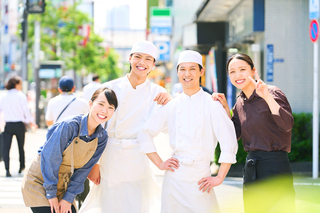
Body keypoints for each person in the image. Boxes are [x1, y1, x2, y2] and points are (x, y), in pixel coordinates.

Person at [137, 50, 238, 213]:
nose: (187, 74)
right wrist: (160, 163)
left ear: (201, 72)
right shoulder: (172, 105)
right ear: (177, 72)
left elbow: (229, 141)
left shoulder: (211, 103)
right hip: (174, 179)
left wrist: (219, 177)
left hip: (201, 179)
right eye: (182, 69)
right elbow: (144, 134)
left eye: (192, 69)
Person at [79, 40, 172, 213]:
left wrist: (171, 102)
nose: (141, 63)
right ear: (130, 59)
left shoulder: (158, 93)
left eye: (147, 59)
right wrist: (93, 164)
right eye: (137, 57)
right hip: (110, 155)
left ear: (153, 64)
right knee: (110, 205)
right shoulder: (109, 88)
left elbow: (169, 127)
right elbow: (92, 127)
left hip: (139, 157)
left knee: (138, 205)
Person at [212, 53, 295, 213]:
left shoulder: (272, 91)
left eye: (242, 69)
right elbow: (233, 135)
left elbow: (287, 125)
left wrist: (267, 97)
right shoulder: (240, 103)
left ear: (253, 70)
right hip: (252, 169)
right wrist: (224, 108)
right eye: (232, 71)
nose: (238, 75)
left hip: (276, 166)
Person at [21, 87, 118, 213]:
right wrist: (51, 194)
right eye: (101, 104)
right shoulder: (70, 126)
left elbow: (84, 170)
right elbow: (50, 158)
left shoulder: (102, 137)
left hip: (64, 184)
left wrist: (68, 197)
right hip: (41, 179)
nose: (105, 110)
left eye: (111, 107)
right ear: (90, 104)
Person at [0, 76, 37, 177]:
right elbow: (26, 111)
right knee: (21, 146)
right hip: (19, 125)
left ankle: (7, 169)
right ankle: (21, 166)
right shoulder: (21, 96)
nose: (21, 86)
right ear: (16, 84)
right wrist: (31, 122)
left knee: (6, 147)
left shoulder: (4, 96)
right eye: (20, 84)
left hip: (8, 125)